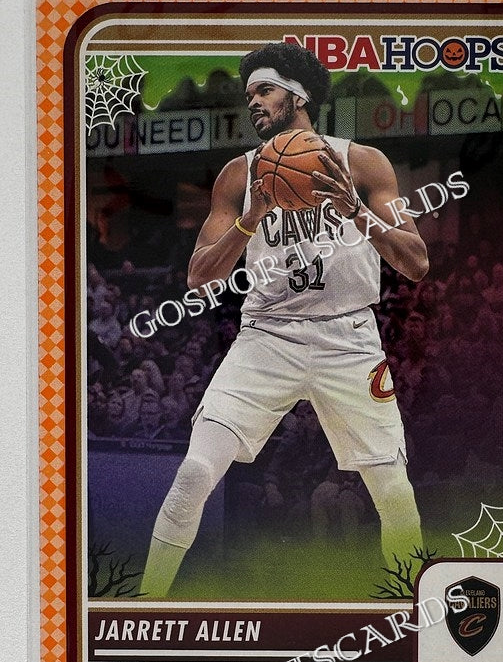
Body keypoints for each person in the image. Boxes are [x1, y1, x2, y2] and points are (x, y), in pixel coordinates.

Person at [141, 42, 428, 597]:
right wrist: (250, 219)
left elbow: (416, 263)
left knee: (394, 491)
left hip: (348, 337)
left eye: (264, 90)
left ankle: (415, 617)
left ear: (297, 96)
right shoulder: (238, 174)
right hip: (268, 335)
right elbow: (199, 275)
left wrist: (356, 213)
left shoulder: (363, 163)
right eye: (248, 93)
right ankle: (141, 607)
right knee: (194, 473)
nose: (252, 102)